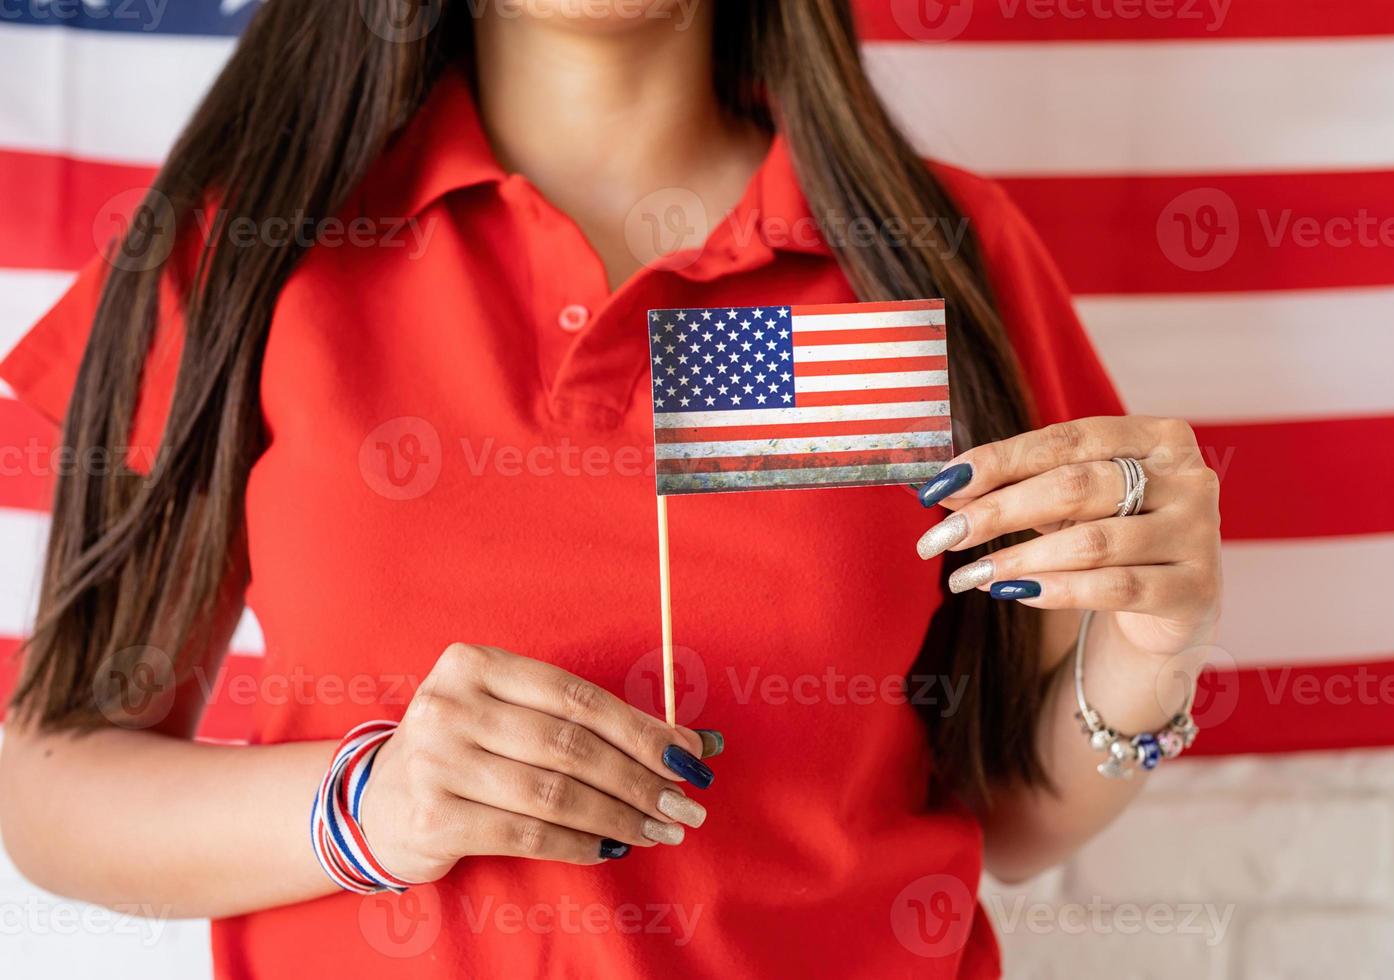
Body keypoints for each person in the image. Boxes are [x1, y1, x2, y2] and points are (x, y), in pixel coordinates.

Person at [0, 2, 1221, 977]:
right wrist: (368, 806)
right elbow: (52, 786)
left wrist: (1149, 651)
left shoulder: (938, 255)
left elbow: (1010, 816)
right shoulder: (237, 256)